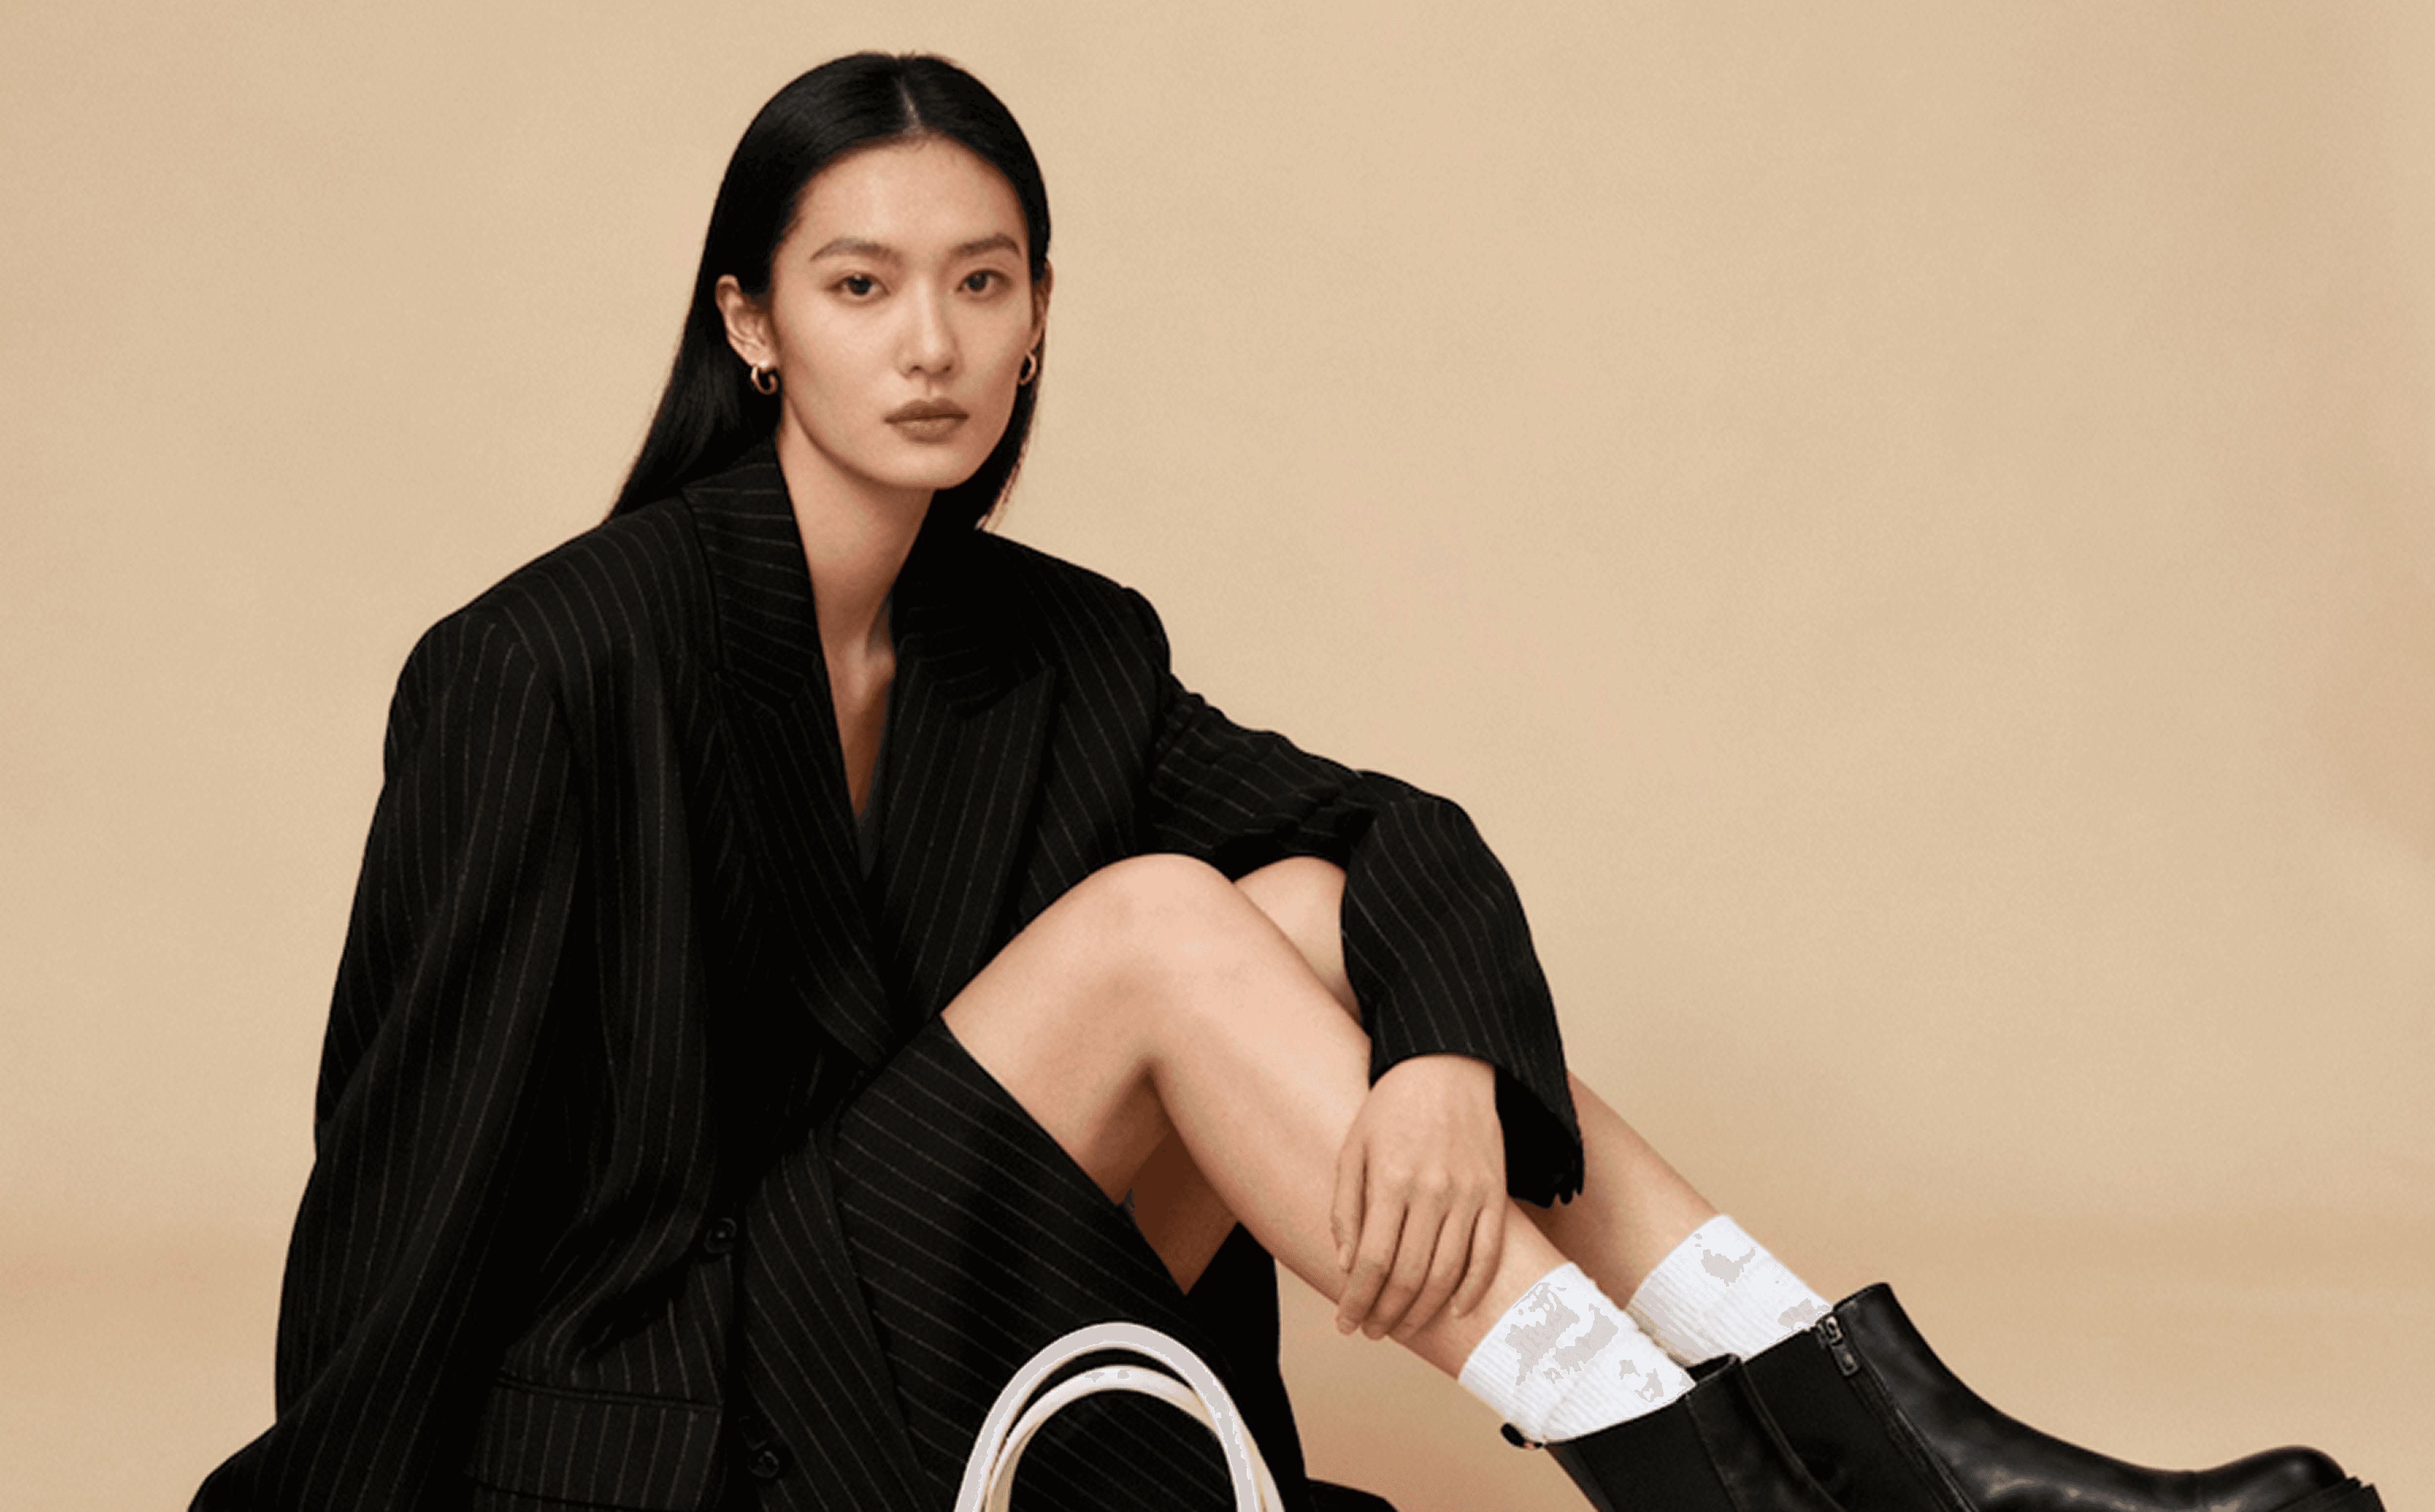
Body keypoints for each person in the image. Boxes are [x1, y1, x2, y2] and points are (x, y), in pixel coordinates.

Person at [193, 52, 2382, 1512]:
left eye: (982, 283)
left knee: (1320, 919)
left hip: (956, 1360)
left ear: (1043, 314)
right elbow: (410, 1179)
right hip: (687, 1431)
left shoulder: (1061, 645)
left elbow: (1392, 835)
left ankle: (1899, 1446)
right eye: (864, 288)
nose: (932, 345)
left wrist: (1437, 1057)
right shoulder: (544, 667)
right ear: (753, 321)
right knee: (1165, 921)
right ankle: (1723, 1489)